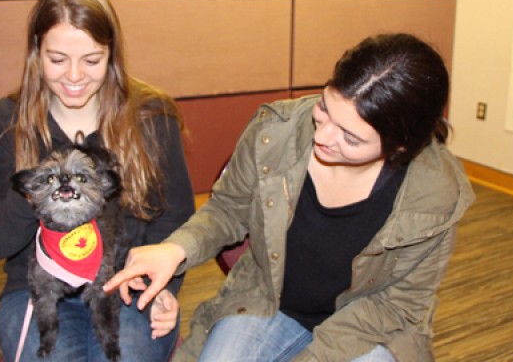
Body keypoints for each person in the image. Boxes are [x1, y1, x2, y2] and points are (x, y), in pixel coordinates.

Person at [104, 33, 476, 362]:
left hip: (367, 325)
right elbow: (229, 210)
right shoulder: (277, 131)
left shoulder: (436, 195)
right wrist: (176, 249)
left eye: (351, 137)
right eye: (325, 109)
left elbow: (397, 306)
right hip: (269, 301)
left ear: (400, 146)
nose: (323, 136)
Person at [0, 0, 195, 362]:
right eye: (57, 60)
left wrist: (164, 287)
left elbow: (176, 219)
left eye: (92, 60)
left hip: (126, 284)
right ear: (35, 53)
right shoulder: (7, 120)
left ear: (112, 56)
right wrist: (32, 195)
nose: (74, 76)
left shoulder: (152, 116)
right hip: (35, 289)